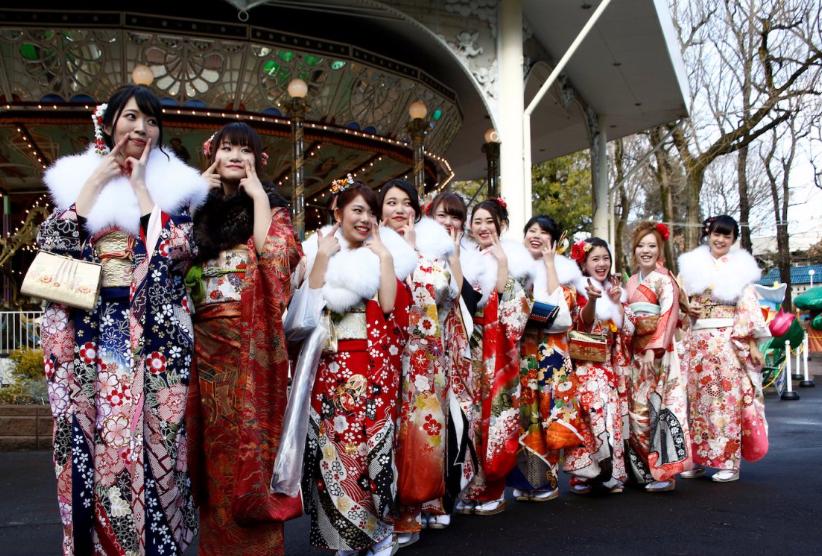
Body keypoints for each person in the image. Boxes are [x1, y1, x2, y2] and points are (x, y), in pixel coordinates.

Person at [37, 84, 207, 555]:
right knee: (102, 440)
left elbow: (181, 250)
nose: (141, 128)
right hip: (99, 327)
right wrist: (95, 183)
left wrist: (140, 190)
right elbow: (51, 249)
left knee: (161, 444)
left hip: (157, 334)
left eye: (151, 120)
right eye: (131, 117)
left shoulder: (177, 186)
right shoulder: (75, 178)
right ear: (109, 123)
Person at [184, 122, 302, 554]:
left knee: (252, 449)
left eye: (244, 150)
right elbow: (169, 252)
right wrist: (192, 192)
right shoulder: (195, 204)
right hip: (204, 346)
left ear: (258, 159)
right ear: (213, 153)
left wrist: (257, 199)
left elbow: (275, 260)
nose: (235, 156)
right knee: (214, 455)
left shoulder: (273, 206)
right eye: (227, 147)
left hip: (251, 344)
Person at [294, 180, 416, 556]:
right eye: (356, 210)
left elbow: (391, 307)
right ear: (338, 212)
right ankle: (344, 536)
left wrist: (384, 257)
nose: (363, 219)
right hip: (329, 365)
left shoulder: (381, 253)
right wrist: (322, 257)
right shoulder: (315, 248)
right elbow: (308, 304)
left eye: (369, 212)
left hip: (370, 366)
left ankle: (379, 532)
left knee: (370, 453)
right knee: (331, 452)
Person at [377, 180, 458, 548]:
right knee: (385, 433)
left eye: (405, 203)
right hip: (383, 356)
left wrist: (411, 253)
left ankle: (417, 507)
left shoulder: (429, 253)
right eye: (390, 202)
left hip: (423, 361)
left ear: (416, 210)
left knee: (421, 433)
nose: (398, 210)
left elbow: (446, 291)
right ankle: (383, 515)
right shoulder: (370, 247)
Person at [678, 215, 769, 482]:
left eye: (726, 236)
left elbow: (747, 309)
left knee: (724, 402)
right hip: (697, 340)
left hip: (726, 341)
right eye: (716, 234)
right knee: (696, 402)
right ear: (708, 234)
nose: (720, 240)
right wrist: (687, 308)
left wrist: (751, 344)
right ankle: (697, 458)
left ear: (732, 240)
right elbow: (681, 302)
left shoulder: (739, 269)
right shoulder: (692, 266)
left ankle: (728, 460)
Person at [455, 198, 532, 516]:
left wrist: (502, 266)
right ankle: (471, 488)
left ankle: (495, 489)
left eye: (489, 221)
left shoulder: (515, 259)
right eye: (478, 221)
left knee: (496, 420)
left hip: (498, 351)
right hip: (470, 349)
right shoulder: (466, 258)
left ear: (500, 224)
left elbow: (516, 313)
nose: (483, 227)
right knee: (470, 419)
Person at [509, 215, 587, 502]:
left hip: (551, 354)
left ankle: (548, 481)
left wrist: (551, 265)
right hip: (523, 352)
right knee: (525, 417)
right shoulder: (513, 268)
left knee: (549, 416)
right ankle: (528, 480)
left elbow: (563, 315)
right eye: (531, 230)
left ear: (554, 241)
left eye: (543, 232)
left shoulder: (564, 272)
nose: (536, 235)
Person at [623, 222, 691, 492]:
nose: (646, 250)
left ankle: (664, 474)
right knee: (637, 413)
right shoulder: (630, 281)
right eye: (641, 245)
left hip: (659, 355)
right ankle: (642, 472)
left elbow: (669, 314)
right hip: (635, 356)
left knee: (660, 410)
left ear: (659, 248)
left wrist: (654, 347)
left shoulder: (665, 279)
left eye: (652, 245)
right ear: (634, 249)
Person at [420, 191, 474, 530]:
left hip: (451, 349)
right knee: (420, 428)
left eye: (456, 216)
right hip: (419, 350)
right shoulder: (414, 248)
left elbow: (464, 296)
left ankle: (442, 498)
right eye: (443, 214)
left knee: (452, 423)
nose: (449, 222)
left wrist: (453, 255)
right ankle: (418, 500)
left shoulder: (464, 254)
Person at [564, 237, 629, 495]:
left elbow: (624, 328)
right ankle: (585, 474)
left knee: (606, 421)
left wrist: (617, 302)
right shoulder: (576, 288)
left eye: (605, 258)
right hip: (582, 366)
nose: (602, 264)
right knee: (586, 423)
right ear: (583, 262)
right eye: (595, 259)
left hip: (606, 366)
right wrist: (592, 300)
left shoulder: (614, 287)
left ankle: (608, 473)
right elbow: (582, 323)